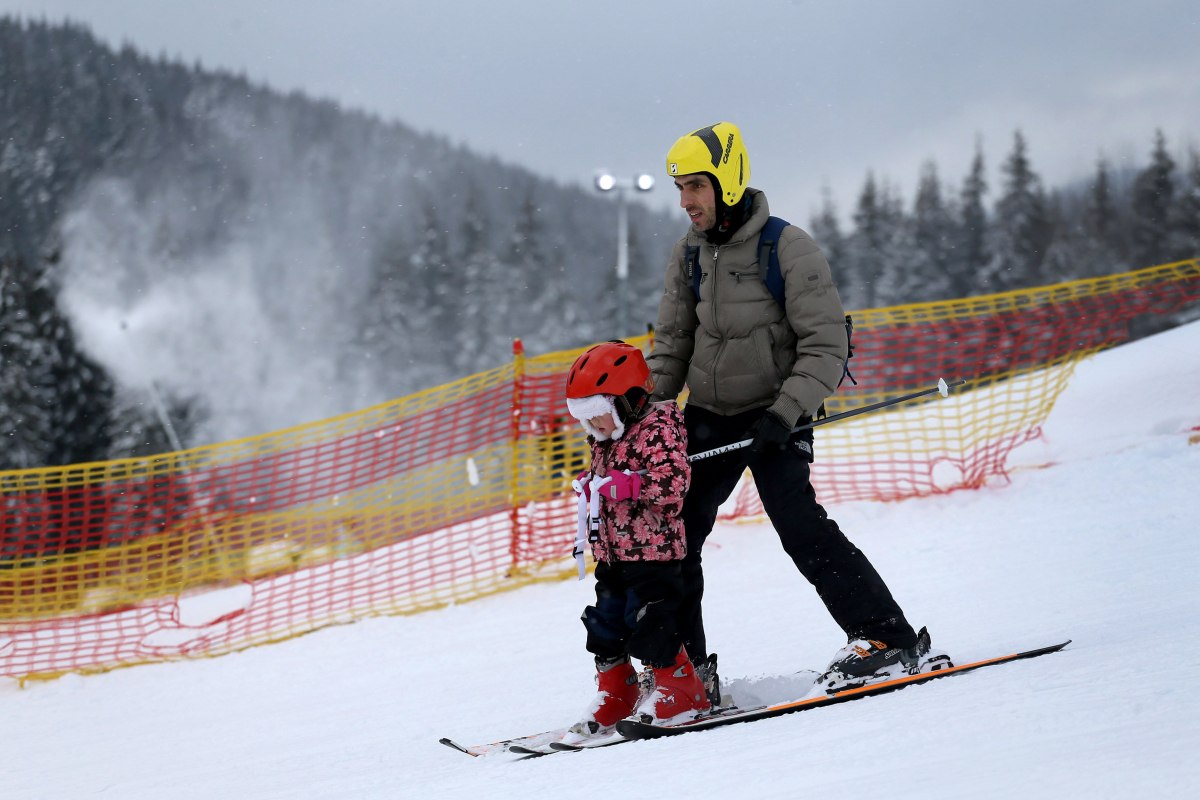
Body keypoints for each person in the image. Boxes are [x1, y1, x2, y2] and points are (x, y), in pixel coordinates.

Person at [648, 122, 936, 704]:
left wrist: (784, 413)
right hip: (709, 412)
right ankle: (685, 672)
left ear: (727, 181)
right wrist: (646, 415)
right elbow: (674, 343)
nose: (686, 202)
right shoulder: (688, 256)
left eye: (696, 186)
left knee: (799, 526)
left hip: (777, 413)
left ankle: (886, 639)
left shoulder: (788, 247)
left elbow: (826, 345)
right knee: (674, 534)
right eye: (680, 189)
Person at [562, 340, 711, 739]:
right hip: (612, 554)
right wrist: (593, 486)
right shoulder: (606, 438)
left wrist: (631, 485)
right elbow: (610, 481)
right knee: (606, 622)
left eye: (597, 415)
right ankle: (618, 690)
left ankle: (683, 688)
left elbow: (674, 483)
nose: (592, 427)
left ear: (627, 400)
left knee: (651, 622)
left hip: (653, 553)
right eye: (584, 418)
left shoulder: (659, 428)